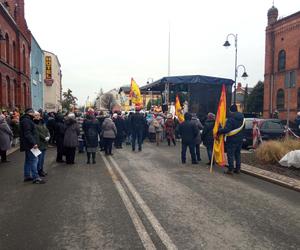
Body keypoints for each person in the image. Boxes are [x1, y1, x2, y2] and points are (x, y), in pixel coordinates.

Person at [20, 108, 45, 184]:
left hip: (29, 144)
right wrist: (34, 143)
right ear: (30, 113)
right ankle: (36, 178)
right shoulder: (27, 121)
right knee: (35, 159)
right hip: (30, 145)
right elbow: (28, 134)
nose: (35, 114)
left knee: (28, 160)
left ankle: (27, 176)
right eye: (34, 112)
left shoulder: (27, 120)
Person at [218, 104, 245, 174]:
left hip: (232, 139)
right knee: (237, 154)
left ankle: (230, 169)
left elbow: (227, 129)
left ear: (231, 111)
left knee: (230, 154)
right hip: (240, 139)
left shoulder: (231, 119)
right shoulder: (242, 118)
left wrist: (219, 131)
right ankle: (238, 169)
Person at [34, 112, 50, 177]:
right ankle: (37, 171)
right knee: (38, 159)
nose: (37, 116)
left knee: (42, 159)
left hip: (44, 143)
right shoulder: (34, 123)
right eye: (36, 115)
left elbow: (47, 130)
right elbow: (37, 133)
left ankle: (41, 170)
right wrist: (45, 137)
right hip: (37, 144)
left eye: (38, 115)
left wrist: (49, 135)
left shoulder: (42, 122)